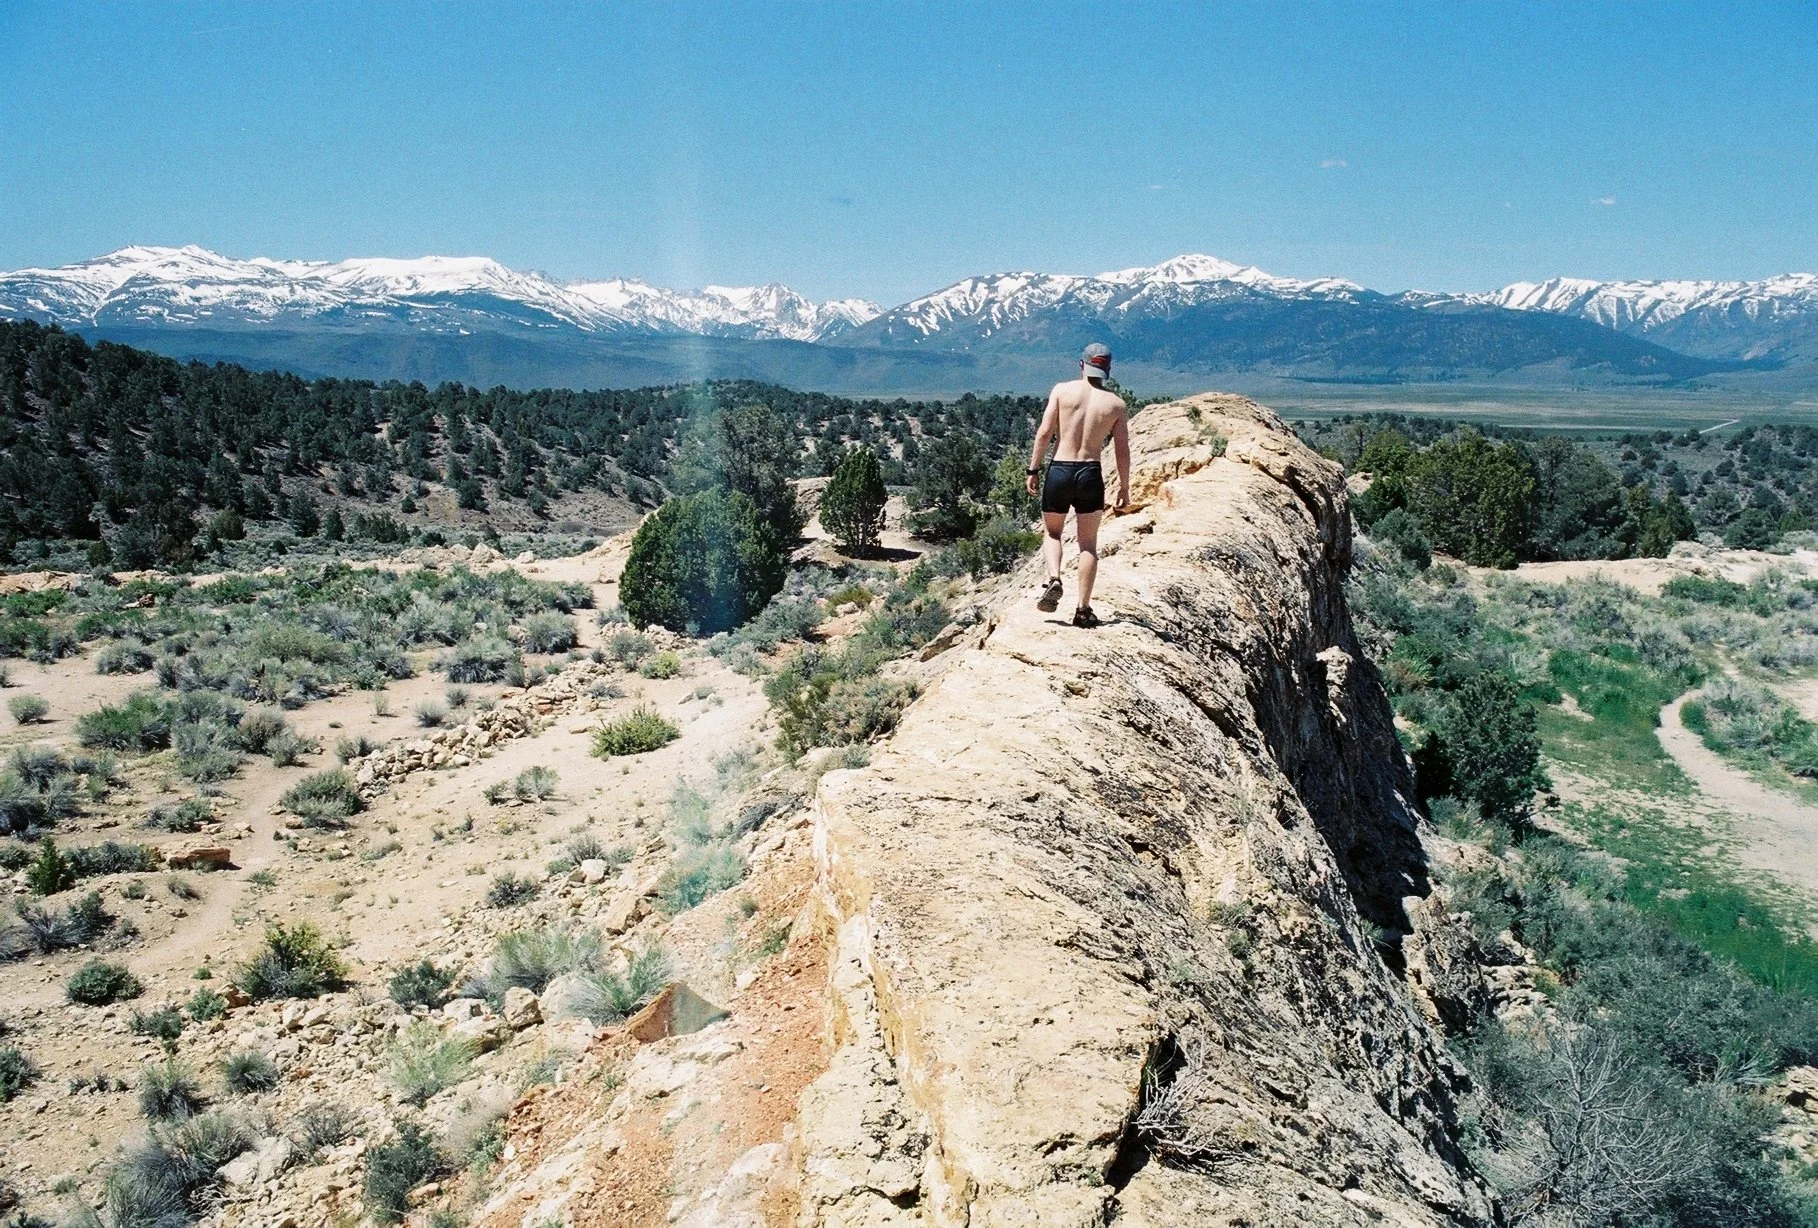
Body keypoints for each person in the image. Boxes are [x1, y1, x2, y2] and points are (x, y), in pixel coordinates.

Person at [1025, 342, 1131, 628]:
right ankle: (1083, 610)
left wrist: (1033, 469)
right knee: (1088, 545)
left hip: (1060, 469)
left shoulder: (1061, 391)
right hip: (1090, 472)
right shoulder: (1116, 404)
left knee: (1053, 532)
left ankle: (1054, 577)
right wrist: (1124, 486)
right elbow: (1122, 450)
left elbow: (1045, 433)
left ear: (1081, 364)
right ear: (1107, 369)